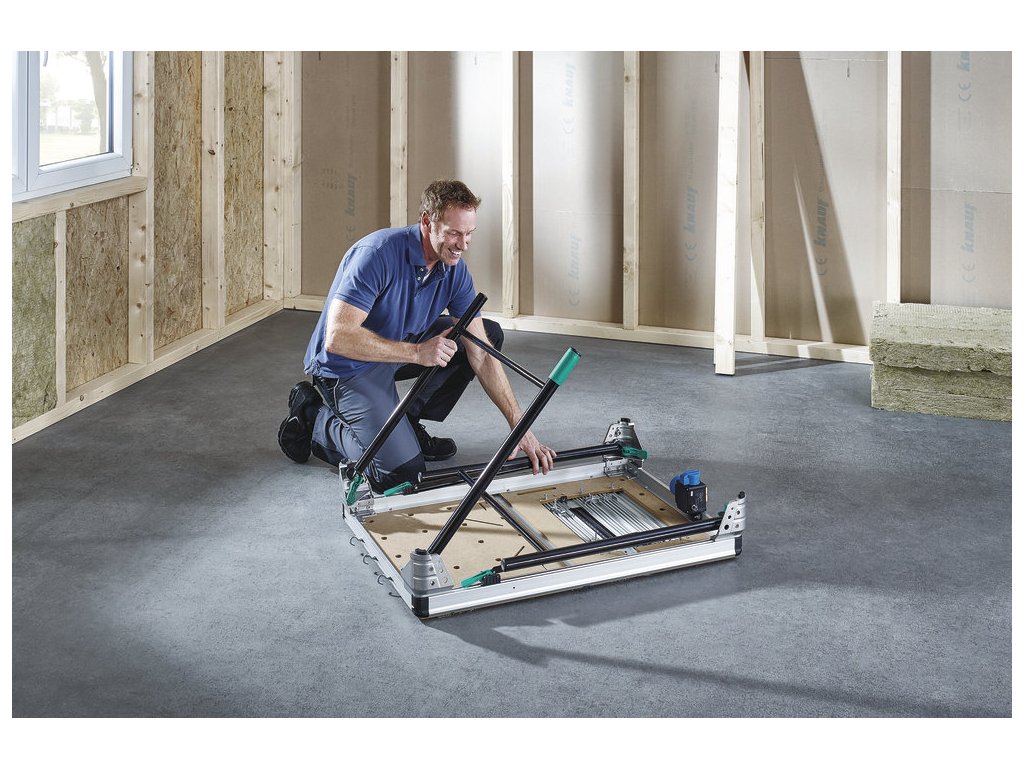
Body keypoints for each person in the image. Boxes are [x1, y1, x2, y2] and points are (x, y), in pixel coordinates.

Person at [278, 179, 557, 491]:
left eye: (469, 234)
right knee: (401, 476)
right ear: (427, 221)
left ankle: (406, 423)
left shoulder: (454, 269)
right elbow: (338, 338)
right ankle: (313, 418)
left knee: (483, 336)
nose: (463, 245)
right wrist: (417, 353)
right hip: (347, 367)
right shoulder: (376, 254)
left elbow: (482, 354)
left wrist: (519, 426)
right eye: (454, 233)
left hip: (397, 349)